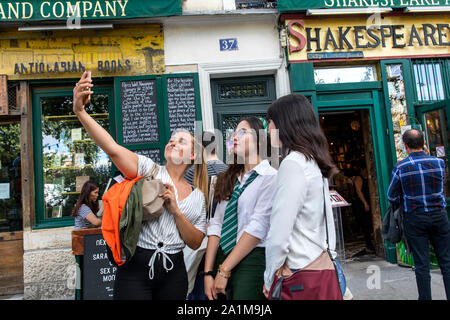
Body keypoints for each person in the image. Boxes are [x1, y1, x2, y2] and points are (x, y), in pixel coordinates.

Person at [73, 71, 210, 300]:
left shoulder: (198, 197)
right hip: (136, 267)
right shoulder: (150, 170)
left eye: (181, 141)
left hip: (174, 271)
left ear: (193, 155)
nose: (172, 141)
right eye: (171, 139)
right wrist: (80, 112)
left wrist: (176, 211)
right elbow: (112, 148)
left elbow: (195, 242)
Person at [263, 94, 339, 298]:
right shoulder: (313, 161)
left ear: (284, 123)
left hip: (299, 274)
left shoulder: (292, 164)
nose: (268, 128)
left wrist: (269, 278)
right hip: (319, 265)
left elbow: (279, 234)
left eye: (269, 121)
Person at [204, 117, 277, 300]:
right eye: (234, 133)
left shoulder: (271, 177)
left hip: (252, 259)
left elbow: (257, 228)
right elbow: (216, 224)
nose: (235, 136)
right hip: (221, 257)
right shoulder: (227, 178)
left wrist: (224, 271)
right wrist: (208, 272)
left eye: (243, 132)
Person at [387, 128, 450, 300]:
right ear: (424, 143)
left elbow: (391, 196)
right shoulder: (439, 163)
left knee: (422, 265)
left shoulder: (401, 166)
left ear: (405, 146)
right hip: (439, 215)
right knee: (446, 261)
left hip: (415, 218)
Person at [185, 131, 228, 300]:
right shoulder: (230, 172)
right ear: (216, 147)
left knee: (197, 290)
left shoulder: (190, 174)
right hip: (224, 242)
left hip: (196, 239)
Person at [351, 161, 376, 255]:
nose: (366, 171)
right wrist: (365, 203)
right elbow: (358, 191)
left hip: (369, 202)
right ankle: (369, 244)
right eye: (364, 169)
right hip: (362, 203)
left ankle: (371, 244)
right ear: (361, 170)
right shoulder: (358, 178)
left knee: (369, 223)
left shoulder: (368, 177)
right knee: (366, 224)